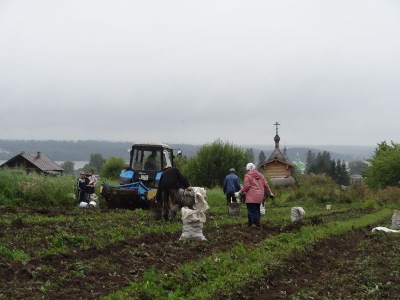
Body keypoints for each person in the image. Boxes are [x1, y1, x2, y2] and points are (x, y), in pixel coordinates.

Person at [235, 163, 274, 229]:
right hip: (260, 197)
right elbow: (266, 185)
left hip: (251, 197)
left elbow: (246, 186)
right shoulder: (261, 175)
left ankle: (259, 226)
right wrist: (270, 193)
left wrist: (239, 192)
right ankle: (249, 225)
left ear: (248, 169)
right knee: (254, 211)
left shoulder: (247, 176)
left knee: (252, 211)